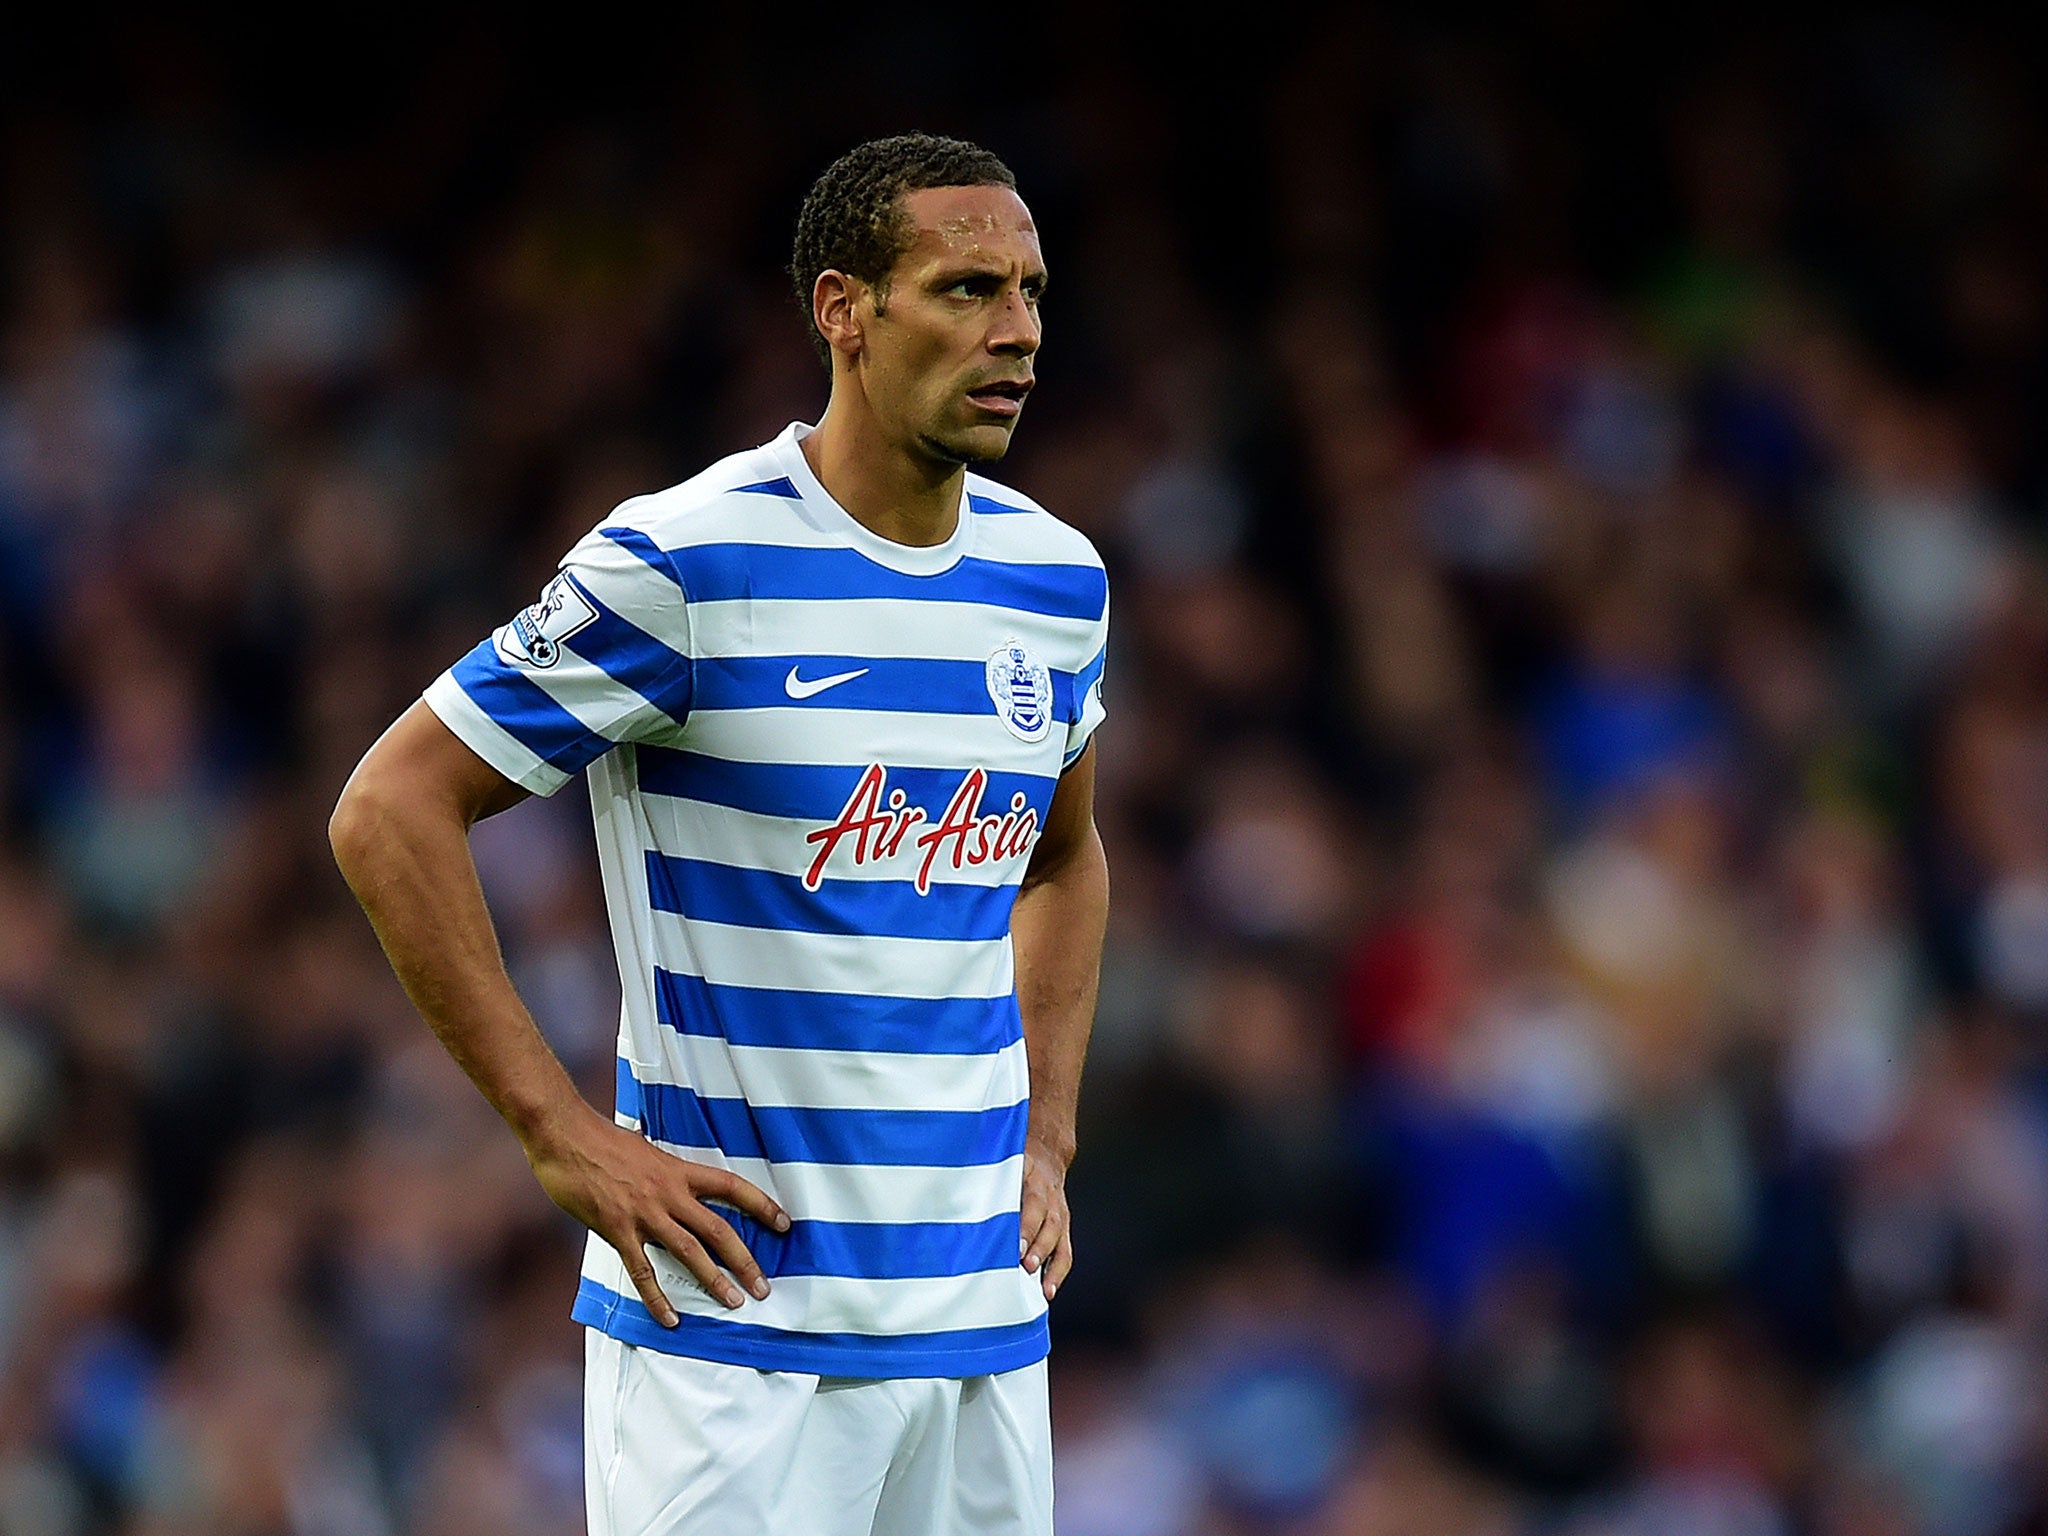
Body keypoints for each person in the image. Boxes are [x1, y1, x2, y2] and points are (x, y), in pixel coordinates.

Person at [328, 133, 1109, 1535]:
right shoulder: (685, 561)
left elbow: (1062, 851)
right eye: (968, 288)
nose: (1019, 334)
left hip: (982, 1329)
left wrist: (1045, 1135)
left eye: (1034, 293)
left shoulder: (1053, 578)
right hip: (735, 1338)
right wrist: (558, 1133)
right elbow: (390, 807)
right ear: (844, 310)